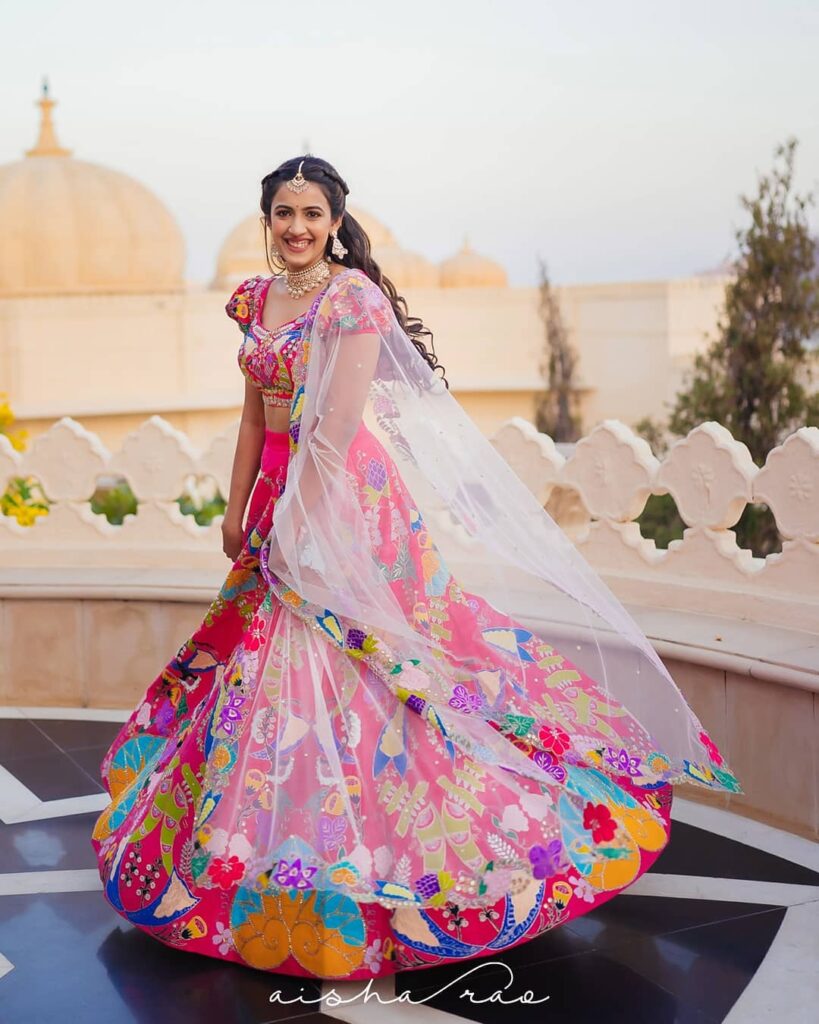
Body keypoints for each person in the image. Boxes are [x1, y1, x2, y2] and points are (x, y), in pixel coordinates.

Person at [91, 156, 740, 981]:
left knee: (377, 663)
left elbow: (333, 428)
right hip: (279, 494)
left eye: (312, 214)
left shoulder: (350, 300)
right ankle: (267, 848)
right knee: (271, 668)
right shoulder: (255, 300)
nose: (297, 227)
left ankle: (409, 851)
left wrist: (300, 528)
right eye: (284, 212)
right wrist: (237, 505)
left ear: (335, 221)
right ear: (267, 218)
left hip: (344, 502)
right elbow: (256, 410)